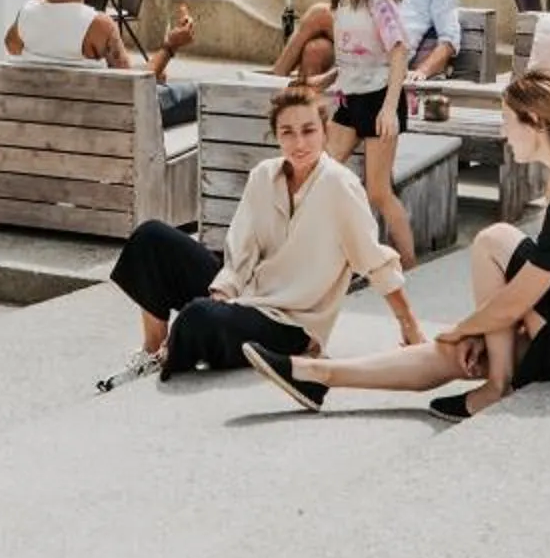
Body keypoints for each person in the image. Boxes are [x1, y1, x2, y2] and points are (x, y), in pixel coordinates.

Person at [242, 69, 550, 421]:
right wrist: (477, 333)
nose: (505, 133)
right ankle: (313, 374)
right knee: (460, 350)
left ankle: (497, 385)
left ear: (535, 123)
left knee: (491, 243)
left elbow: (513, 302)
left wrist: (465, 329)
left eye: (508, 122)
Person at [105, 81, 423, 383]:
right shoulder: (263, 176)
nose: (299, 143)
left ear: (324, 132)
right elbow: (240, 252)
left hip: (291, 324)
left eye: (309, 131)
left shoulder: (340, 185)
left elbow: (373, 260)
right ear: (276, 136)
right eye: (288, 132)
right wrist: (222, 296)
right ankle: (152, 348)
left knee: (197, 317)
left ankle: (171, 355)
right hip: (247, 298)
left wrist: (409, 325)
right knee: (151, 237)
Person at [270, 0, 416, 267]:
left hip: (380, 99)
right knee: (319, 174)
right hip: (350, 100)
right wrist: (326, 79)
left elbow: (399, 52)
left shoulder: (378, 0)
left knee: (378, 192)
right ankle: (317, 255)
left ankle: (410, 264)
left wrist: (389, 109)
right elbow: (355, 58)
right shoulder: (342, 2)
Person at [3, 0, 200, 125]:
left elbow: (11, 46)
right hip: (100, 121)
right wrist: (170, 47)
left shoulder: (27, 13)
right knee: (200, 93)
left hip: (44, 119)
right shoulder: (99, 25)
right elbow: (132, 86)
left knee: (162, 84)